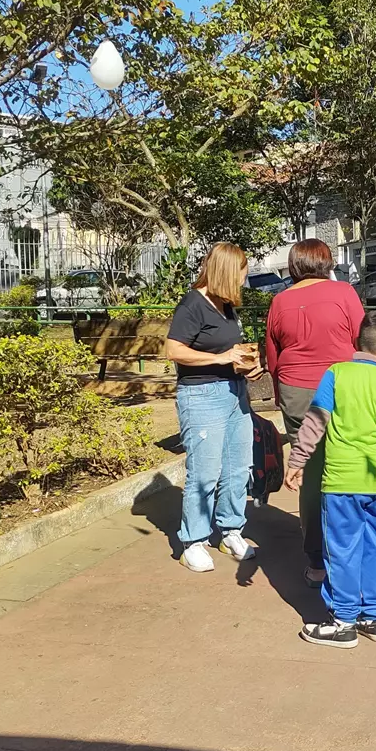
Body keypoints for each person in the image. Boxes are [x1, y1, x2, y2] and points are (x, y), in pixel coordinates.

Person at [284, 311, 376, 648]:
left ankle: (343, 621)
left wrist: (297, 459)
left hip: (342, 481)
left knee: (342, 550)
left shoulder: (336, 374)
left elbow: (315, 422)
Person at [264, 239, 366, 587]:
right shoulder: (345, 294)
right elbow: (362, 342)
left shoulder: (279, 301)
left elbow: (273, 357)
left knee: (308, 470)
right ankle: (349, 550)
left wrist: (281, 396)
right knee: (345, 466)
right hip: (342, 388)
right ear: (327, 262)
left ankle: (315, 558)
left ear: (293, 264)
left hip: (296, 391)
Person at [165, 243, 262, 573]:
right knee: (204, 472)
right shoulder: (193, 304)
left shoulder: (225, 306)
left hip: (235, 392)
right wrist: (219, 358)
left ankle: (231, 531)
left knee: (238, 467)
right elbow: (174, 350)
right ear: (226, 271)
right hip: (202, 395)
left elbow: (229, 348)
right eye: (242, 274)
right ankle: (193, 541)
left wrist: (247, 364)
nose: (244, 282)